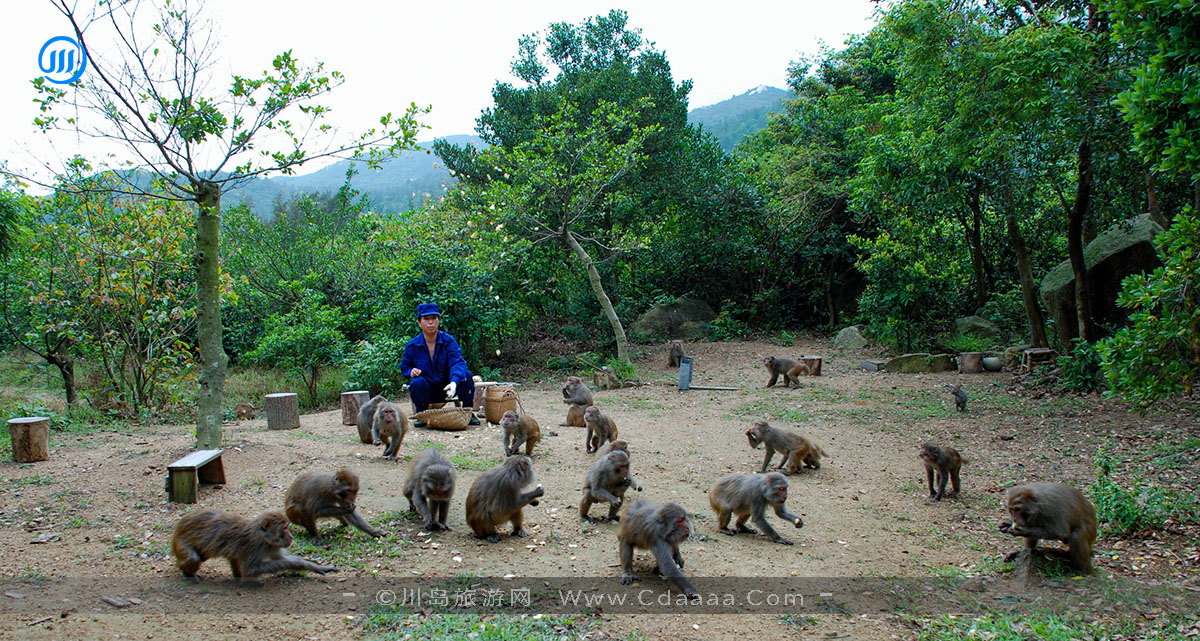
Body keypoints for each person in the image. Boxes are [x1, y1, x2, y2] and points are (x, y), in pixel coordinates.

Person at [400, 302, 479, 426]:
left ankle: (468, 412)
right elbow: (405, 366)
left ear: (438, 321)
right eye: (426, 319)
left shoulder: (449, 341)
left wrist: (453, 382)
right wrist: (411, 371)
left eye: (434, 318)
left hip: (448, 386)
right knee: (416, 383)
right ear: (419, 323)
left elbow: (457, 362)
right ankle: (422, 415)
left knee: (466, 375)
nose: (430, 322)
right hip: (428, 387)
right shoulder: (412, 345)